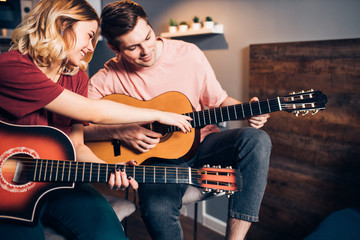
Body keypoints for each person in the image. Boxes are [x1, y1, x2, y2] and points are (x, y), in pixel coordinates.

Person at [0, 0, 192, 239]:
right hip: (7, 191)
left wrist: (109, 169)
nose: (90, 47)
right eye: (89, 36)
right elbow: (94, 111)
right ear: (60, 25)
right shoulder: (12, 67)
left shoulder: (77, 77)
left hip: (60, 182)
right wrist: (158, 113)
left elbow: (77, 145)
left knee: (109, 234)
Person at [85, 1, 271, 239]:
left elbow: (219, 100)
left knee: (256, 140)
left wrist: (249, 110)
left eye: (149, 37)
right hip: (159, 159)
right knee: (156, 209)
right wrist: (121, 131)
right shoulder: (106, 78)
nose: (146, 50)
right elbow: (78, 129)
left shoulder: (188, 53)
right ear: (114, 48)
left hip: (205, 144)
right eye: (133, 47)